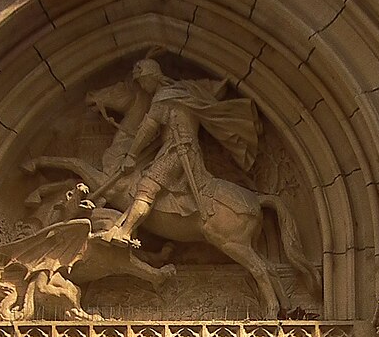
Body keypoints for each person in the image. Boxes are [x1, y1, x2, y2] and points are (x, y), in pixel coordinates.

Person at [96, 55, 259, 247]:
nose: (143, 87)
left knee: (147, 187)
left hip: (177, 152)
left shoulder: (164, 97)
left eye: (142, 82)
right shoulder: (182, 92)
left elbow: (148, 129)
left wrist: (131, 156)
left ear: (151, 77)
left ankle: (125, 231)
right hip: (183, 150)